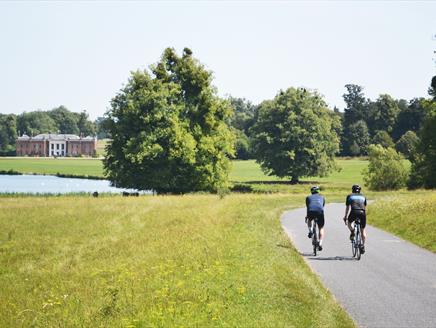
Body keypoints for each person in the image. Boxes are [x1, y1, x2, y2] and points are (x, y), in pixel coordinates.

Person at [343, 184, 367, 254]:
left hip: (354, 211)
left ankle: (352, 231)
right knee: (363, 230)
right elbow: (364, 207)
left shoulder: (349, 196)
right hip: (362, 212)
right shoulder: (363, 196)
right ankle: (363, 245)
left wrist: (345, 217)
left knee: (349, 223)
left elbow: (347, 207)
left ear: (352, 190)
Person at [305, 186, 325, 251]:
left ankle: (310, 231)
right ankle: (320, 243)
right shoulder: (322, 197)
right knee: (321, 228)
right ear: (318, 191)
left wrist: (306, 216)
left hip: (311, 211)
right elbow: (322, 206)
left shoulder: (308, 197)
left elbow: (308, 207)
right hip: (320, 212)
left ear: (311, 192)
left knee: (309, 220)